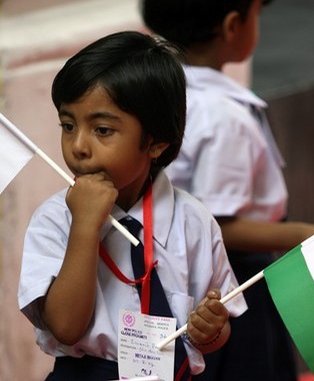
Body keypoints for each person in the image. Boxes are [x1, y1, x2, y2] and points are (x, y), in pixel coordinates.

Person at [18, 31, 247, 380]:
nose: (78, 146)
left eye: (103, 130)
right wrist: (85, 227)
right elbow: (65, 327)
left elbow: (218, 329)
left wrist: (211, 330)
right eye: (68, 125)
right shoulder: (55, 219)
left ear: (155, 142)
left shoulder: (193, 222)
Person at [141, 0, 314, 380]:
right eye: (257, 14)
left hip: (177, 273)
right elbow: (218, 224)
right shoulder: (222, 116)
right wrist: (305, 234)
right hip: (232, 282)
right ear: (233, 25)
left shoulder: (164, 94)